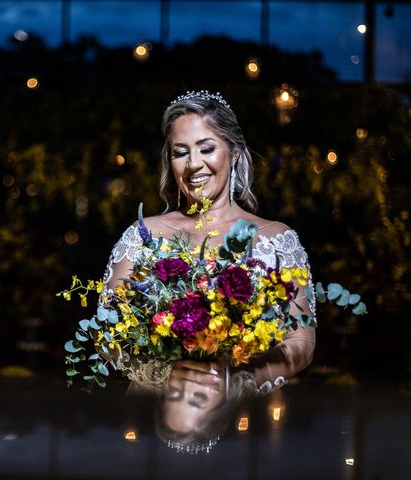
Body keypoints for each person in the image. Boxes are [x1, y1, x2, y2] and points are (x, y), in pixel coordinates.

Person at [102, 90, 316, 394]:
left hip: (242, 420)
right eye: (180, 152)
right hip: (155, 411)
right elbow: (108, 333)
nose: (193, 164)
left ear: (235, 152)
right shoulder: (141, 236)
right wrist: (166, 374)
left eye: (206, 148)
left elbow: (301, 342)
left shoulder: (275, 238)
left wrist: (234, 380)